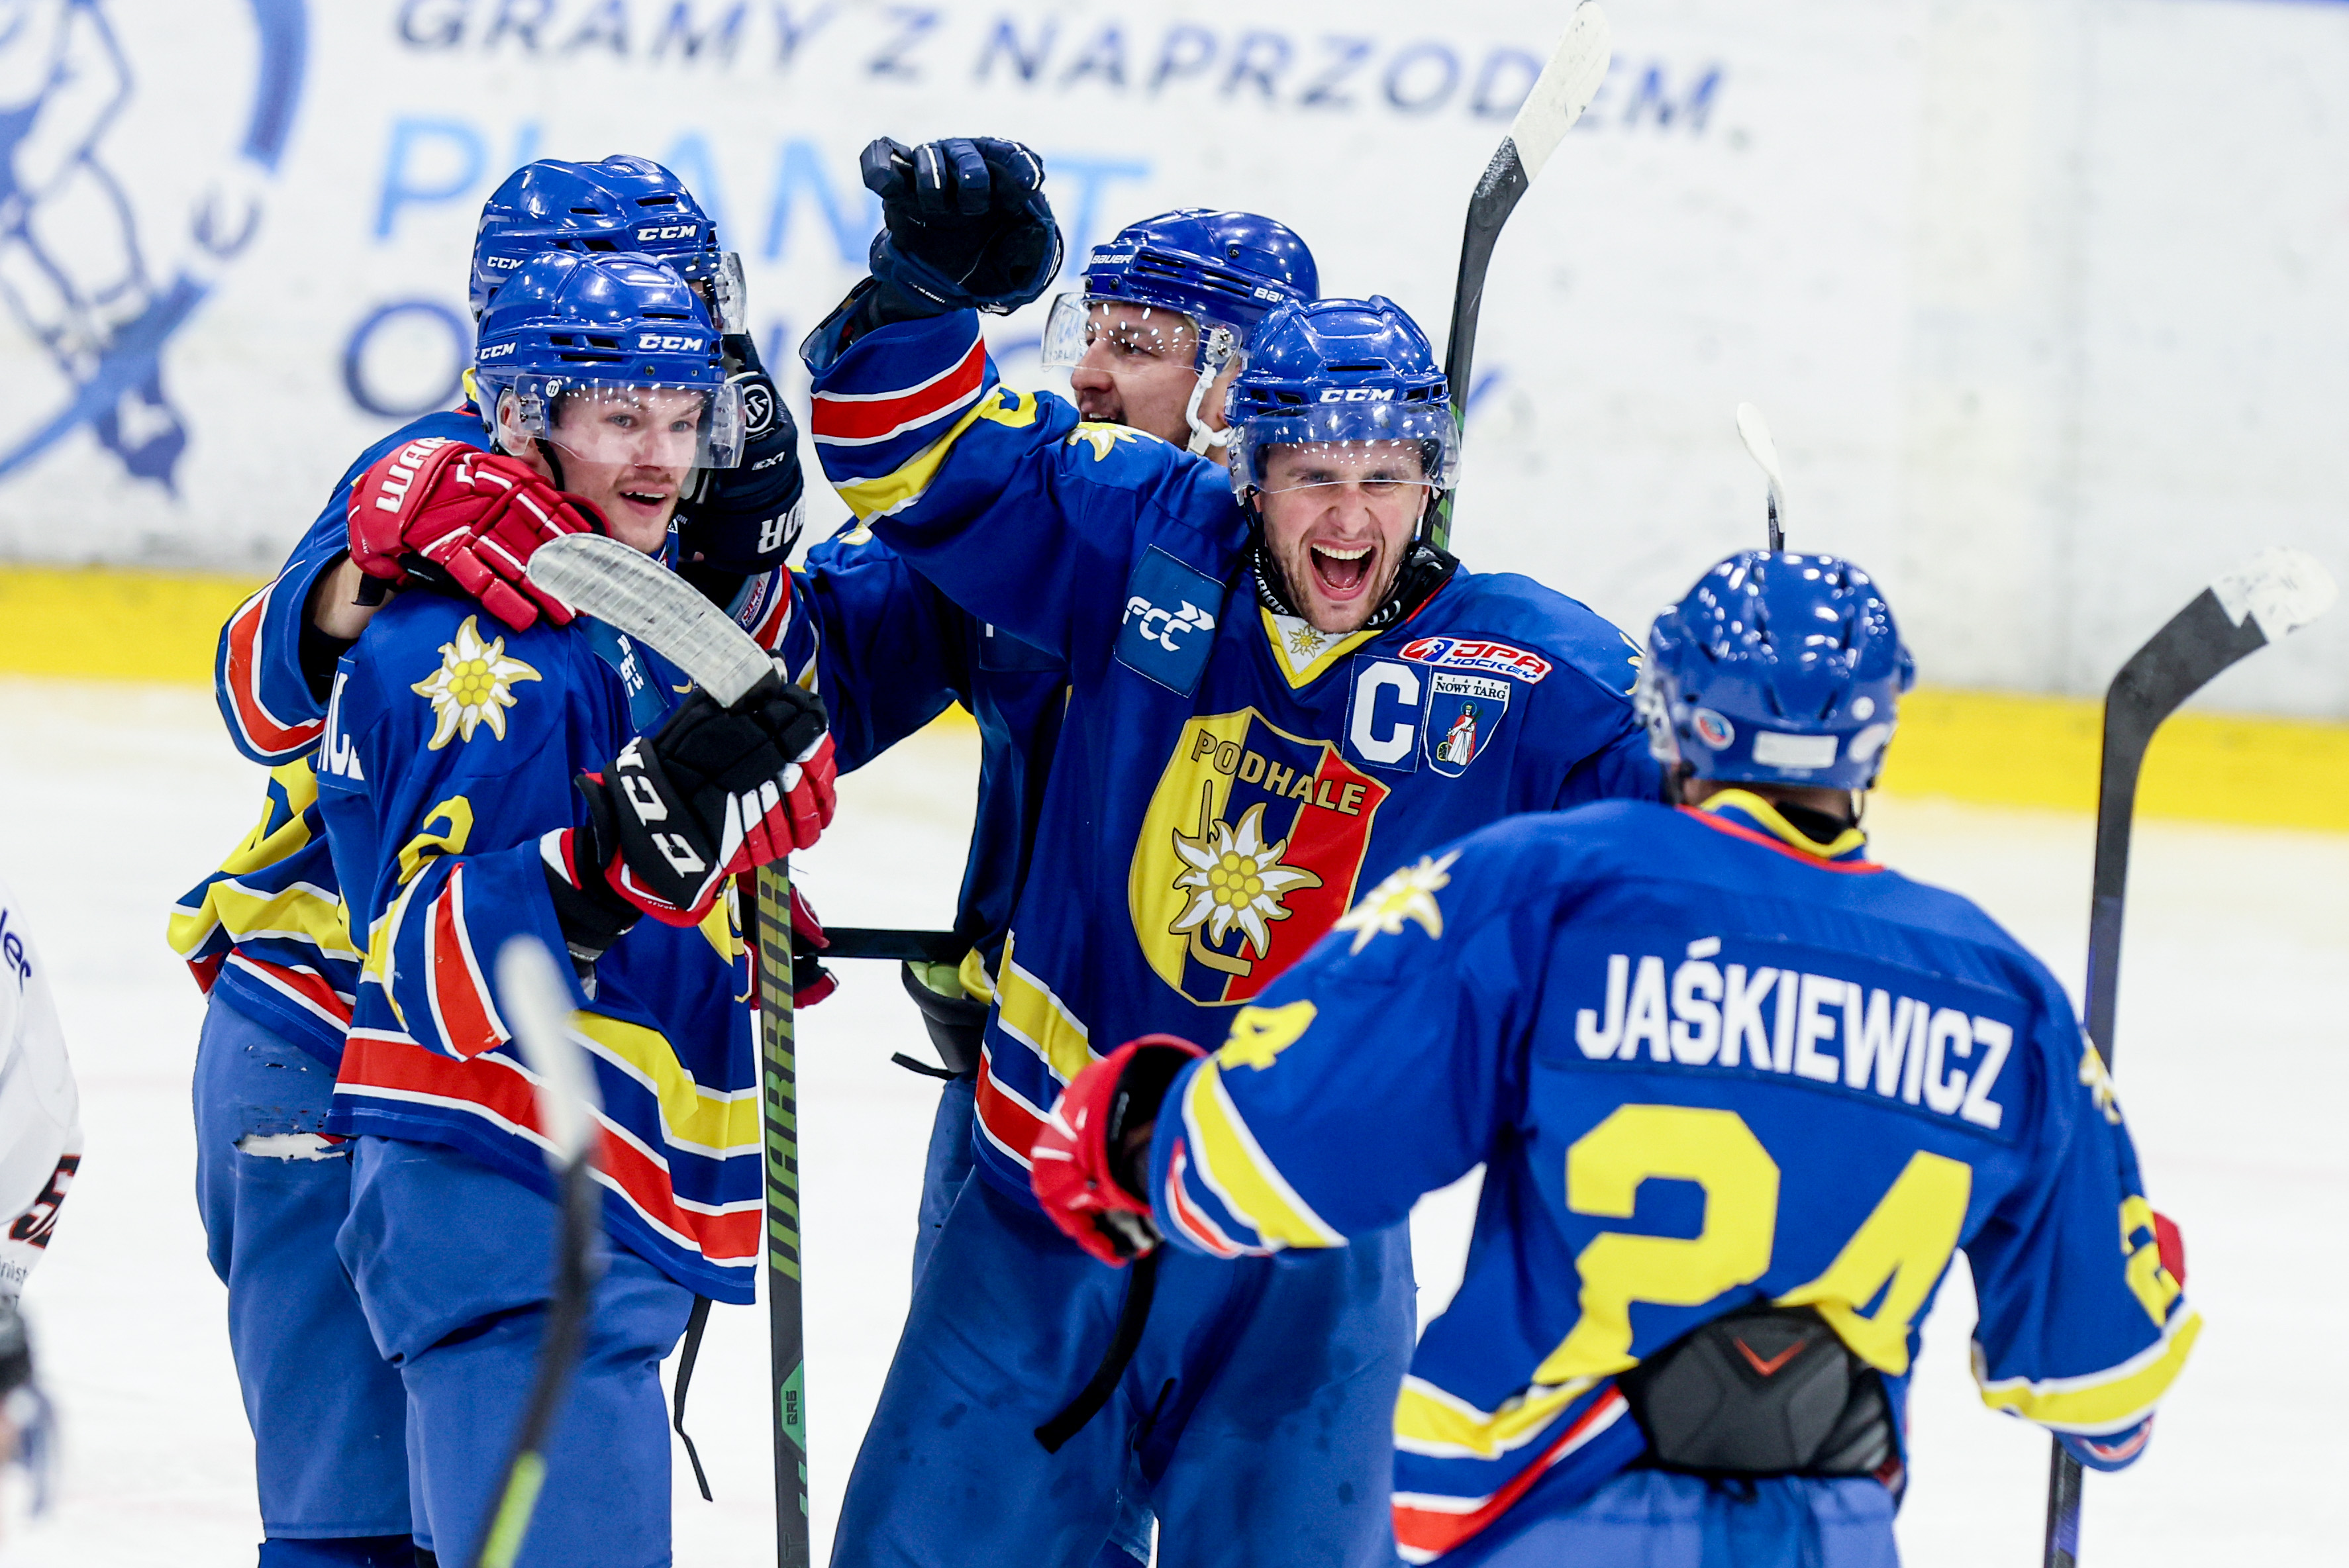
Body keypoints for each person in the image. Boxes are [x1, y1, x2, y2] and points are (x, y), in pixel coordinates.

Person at [801, 136, 1660, 1567]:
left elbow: (1687, 843)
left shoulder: (1499, 666)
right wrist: (908, 306)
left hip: (1299, 1212)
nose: (1089, 376)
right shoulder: (1111, 527)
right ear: (1257, 460)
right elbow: (845, 590)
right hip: (1038, 1143)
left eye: (1135, 345)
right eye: (1313, 471)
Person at [1034, 550, 2199, 1568]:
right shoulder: (2004, 994)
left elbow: (1265, 1159)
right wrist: (2140, 1272)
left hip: (1541, 1520)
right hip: (1831, 1538)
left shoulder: (1548, 887)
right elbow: (2105, 1394)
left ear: (1673, 712)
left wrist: (1139, 1135)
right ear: (1875, 736)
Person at [167, 154, 814, 1568]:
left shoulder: (671, 474)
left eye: (691, 302)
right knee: (355, 1538)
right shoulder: (439, 473)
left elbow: (709, 730)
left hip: (493, 1045)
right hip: (335, 1028)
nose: (678, 330)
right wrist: (364, 567)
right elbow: (261, 700)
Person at [805, 204, 1321, 1288]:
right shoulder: (1033, 534)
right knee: (978, 1401)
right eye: (1087, 335)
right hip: (1017, 1092)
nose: (1086, 374)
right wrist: (733, 550)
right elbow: (804, 694)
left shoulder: (1338, 596)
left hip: (1269, 1127)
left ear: (1239, 381)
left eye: (1133, 346)